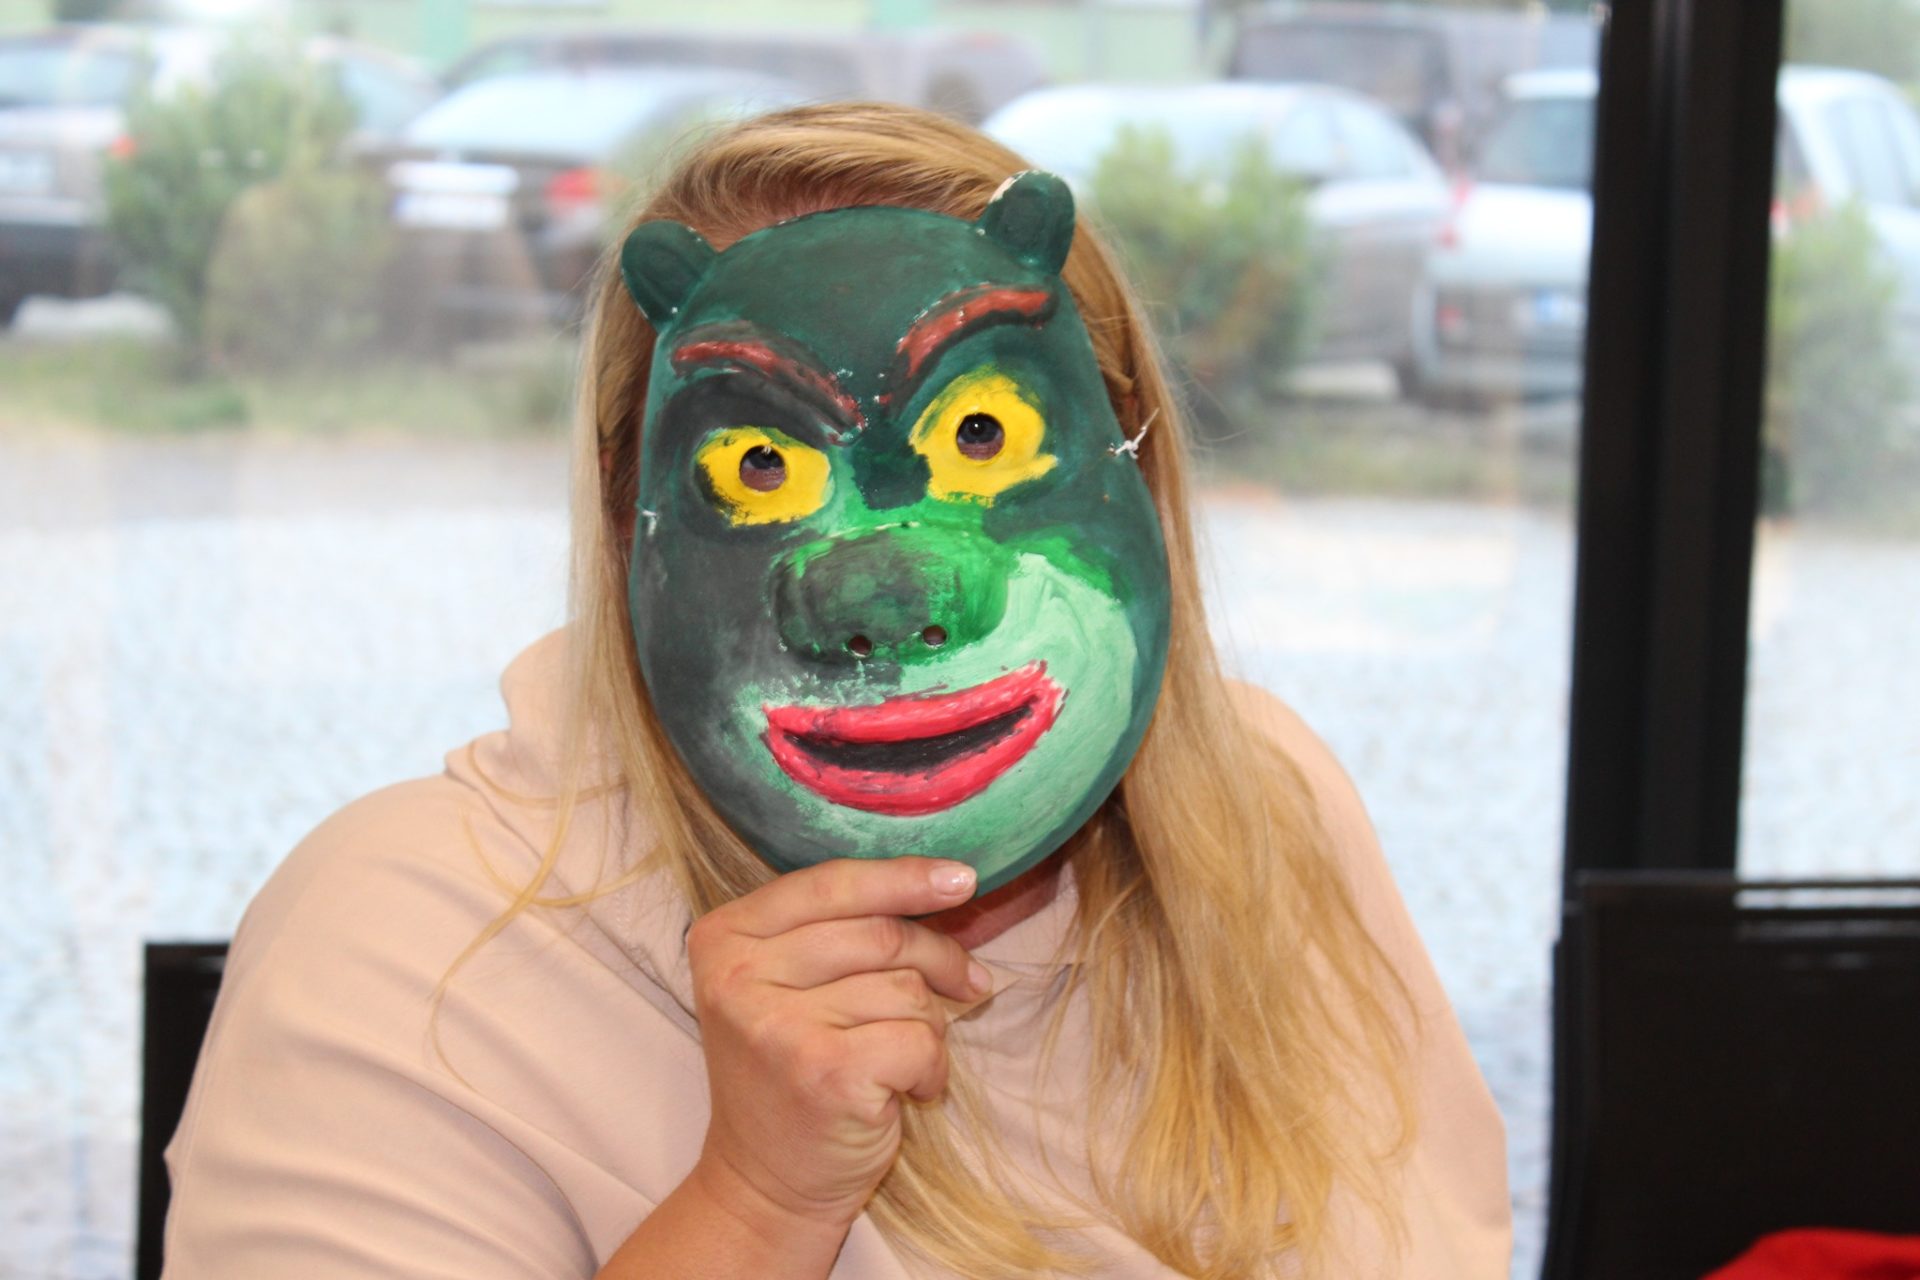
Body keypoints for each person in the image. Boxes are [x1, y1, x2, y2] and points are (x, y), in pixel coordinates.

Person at [160, 103, 1511, 1279]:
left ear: (1136, 466)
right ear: (629, 515)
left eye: (982, 434)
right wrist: (756, 1204)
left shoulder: (1261, 813)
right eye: (761, 468)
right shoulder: (406, 949)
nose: (892, 587)